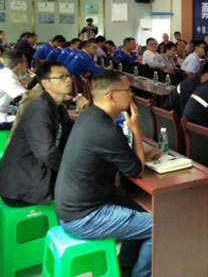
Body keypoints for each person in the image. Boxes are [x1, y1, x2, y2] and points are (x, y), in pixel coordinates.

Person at [54, 71, 161, 277]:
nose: (131, 94)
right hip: (83, 217)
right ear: (112, 96)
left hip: (73, 206)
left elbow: (121, 158)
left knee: (140, 208)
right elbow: (135, 169)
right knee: (157, 226)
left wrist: (142, 155)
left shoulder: (90, 116)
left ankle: (125, 266)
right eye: (127, 90)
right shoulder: (106, 130)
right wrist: (135, 129)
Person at [0, 61, 87, 206]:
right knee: (86, 188)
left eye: (68, 75)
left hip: (37, 171)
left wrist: (84, 112)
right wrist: (69, 173)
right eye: (61, 77)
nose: (68, 80)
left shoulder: (57, 107)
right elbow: (46, 153)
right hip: (23, 185)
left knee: (89, 176)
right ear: (46, 83)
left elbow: (74, 136)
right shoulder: (40, 109)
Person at [0, 49, 26, 130]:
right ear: (19, 65)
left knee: (18, 111)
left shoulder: (4, 73)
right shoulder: (7, 77)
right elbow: (27, 97)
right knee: (31, 120)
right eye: (25, 61)